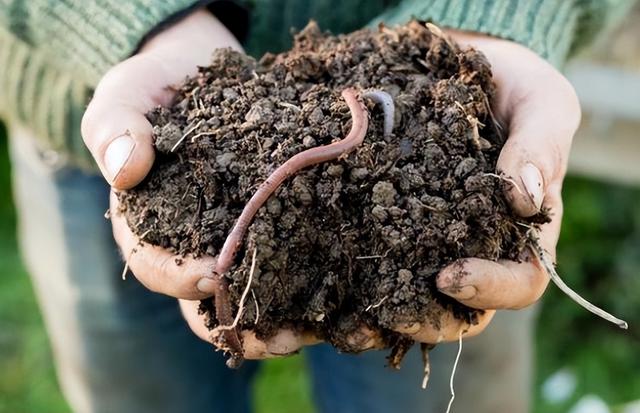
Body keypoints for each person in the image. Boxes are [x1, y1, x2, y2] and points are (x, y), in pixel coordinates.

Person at [0, 1, 633, 412]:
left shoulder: (452, 125)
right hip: (133, 143)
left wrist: (501, 16)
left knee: (441, 326)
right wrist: (141, 19)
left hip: (448, 184)